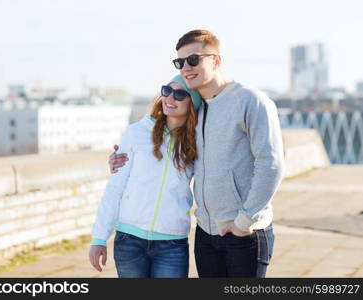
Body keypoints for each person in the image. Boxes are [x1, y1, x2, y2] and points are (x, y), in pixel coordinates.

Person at [109, 30, 285, 277]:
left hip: (245, 233)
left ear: (216, 60)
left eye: (194, 60)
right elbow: (164, 151)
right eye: (180, 62)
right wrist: (122, 159)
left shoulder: (251, 101)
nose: (186, 67)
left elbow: (271, 164)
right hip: (205, 234)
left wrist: (244, 222)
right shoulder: (195, 109)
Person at [89, 75, 202, 278]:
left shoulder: (197, 142)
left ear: (192, 103)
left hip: (172, 244)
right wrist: (99, 238)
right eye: (167, 91)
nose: (170, 98)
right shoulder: (137, 133)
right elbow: (116, 187)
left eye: (179, 94)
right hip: (129, 240)